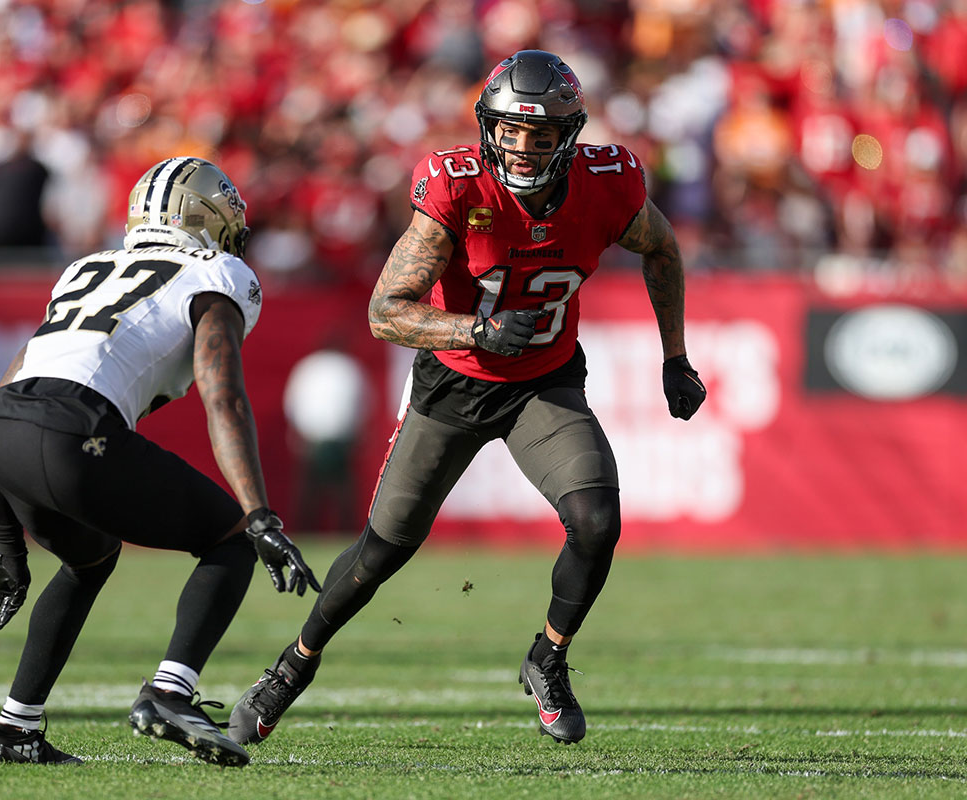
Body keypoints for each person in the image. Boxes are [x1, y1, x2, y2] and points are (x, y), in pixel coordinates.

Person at [226, 50, 706, 748]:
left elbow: (662, 249)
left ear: (569, 137)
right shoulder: (458, 186)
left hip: (543, 381)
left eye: (540, 134)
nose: (521, 145)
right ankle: (292, 665)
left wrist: (676, 356)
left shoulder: (610, 183)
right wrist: (475, 328)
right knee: (380, 554)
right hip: (452, 385)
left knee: (597, 518)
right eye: (509, 129)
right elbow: (385, 310)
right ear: (488, 127)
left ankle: (549, 657)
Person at [0, 156, 321, 767]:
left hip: (2, 434)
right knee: (232, 538)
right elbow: (224, 395)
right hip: (72, 431)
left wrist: (9, 546)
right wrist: (261, 514)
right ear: (203, 218)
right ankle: (170, 692)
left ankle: (13, 729)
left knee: (90, 557)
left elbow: (4, 398)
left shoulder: (87, 266)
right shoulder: (217, 271)